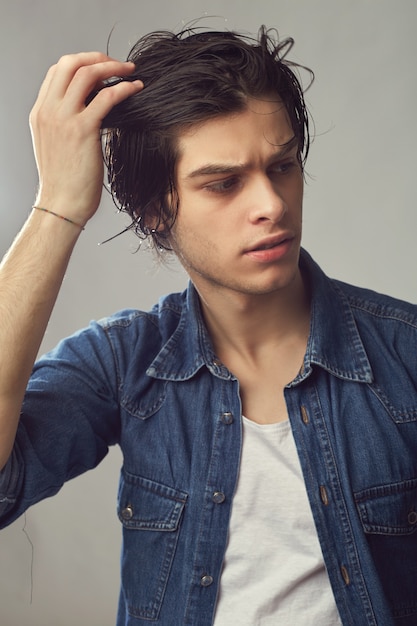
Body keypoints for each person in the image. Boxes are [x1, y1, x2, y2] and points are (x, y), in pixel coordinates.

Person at [0, 25, 416, 626]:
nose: (271, 203)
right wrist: (58, 207)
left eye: (282, 166)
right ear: (154, 210)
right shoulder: (126, 360)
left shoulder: (403, 352)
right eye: (223, 183)